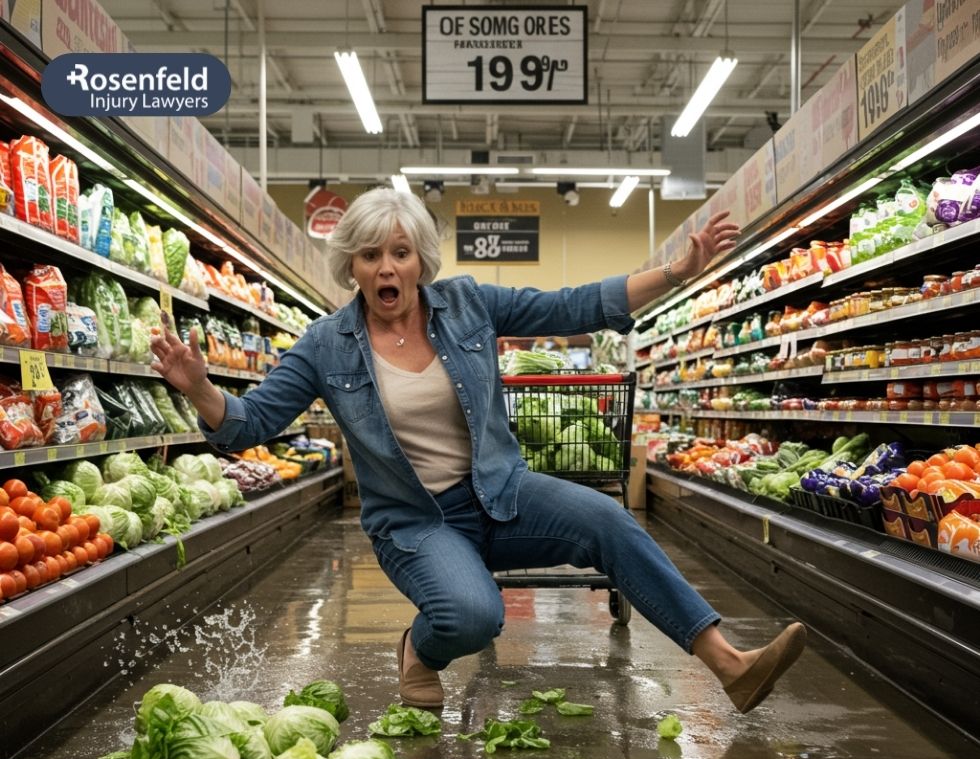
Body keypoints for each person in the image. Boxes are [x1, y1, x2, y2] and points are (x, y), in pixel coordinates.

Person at [150, 188, 806, 714]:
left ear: (420, 262)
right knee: (471, 616)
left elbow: (569, 304)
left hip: (503, 495)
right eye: (371, 255)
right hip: (416, 522)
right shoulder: (327, 345)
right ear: (349, 264)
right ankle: (420, 649)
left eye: (401, 253)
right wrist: (202, 388)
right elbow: (251, 421)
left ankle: (731, 665)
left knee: (609, 519)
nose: (387, 268)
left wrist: (676, 271)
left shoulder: (466, 305)